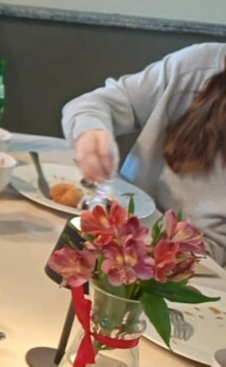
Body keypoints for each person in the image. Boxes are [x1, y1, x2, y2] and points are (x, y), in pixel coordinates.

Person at [63, 43, 226, 265]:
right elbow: (95, 103)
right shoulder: (197, 67)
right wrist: (91, 132)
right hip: (118, 230)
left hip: (199, 266)